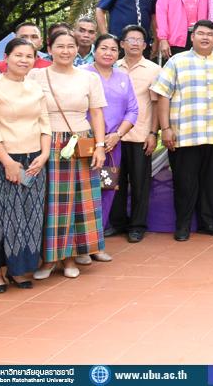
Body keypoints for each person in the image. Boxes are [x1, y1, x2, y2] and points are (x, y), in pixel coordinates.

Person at [29, 30, 107, 280]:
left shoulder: (89, 77)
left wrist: (100, 146)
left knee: (78, 203)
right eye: (60, 46)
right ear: (49, 49)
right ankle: (49, 258)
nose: (66, 51)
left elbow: (96, 113)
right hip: (46, 142)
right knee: (50, 203)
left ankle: (72, 257)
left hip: (80, 143)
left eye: (70, 46)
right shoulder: (35, 75)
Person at [0, 38, 51, 293]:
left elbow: (44, 123)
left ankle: (18, 269)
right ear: (6, 58)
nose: (23, 60)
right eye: (18, 55)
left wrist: (44, 154)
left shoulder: (36, 88)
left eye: (29, 56)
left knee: (29, 216)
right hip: (0, 161)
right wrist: (7, 162)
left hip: (34, 161)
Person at [152, 20, 213, 241]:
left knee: (211, 183)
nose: (205, 37)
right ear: (192, 37)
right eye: (201, 33)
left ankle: (207, 223)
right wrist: (165, 128)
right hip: (185, 135)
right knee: (184, 183)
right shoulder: (176, 61)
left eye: (210, 34)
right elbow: (163, 95)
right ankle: (182, 225)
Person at [81, 34, 138, 265]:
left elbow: (133, 110)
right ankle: (79, 246)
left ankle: (97, 243)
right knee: (83, 193)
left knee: (106, 192)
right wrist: (97, 139)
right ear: (94, 51)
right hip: (84, 145)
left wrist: (117, 135)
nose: (108, 53)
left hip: (112, 146)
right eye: (103, 48)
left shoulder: (123, 77)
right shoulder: (82, 74)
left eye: (113, 49)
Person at [112, 25, 160, 243]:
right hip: (114, 136)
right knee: (115, 182)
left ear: (145, 45)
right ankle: (117, 223)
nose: (134, 43)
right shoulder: (112, 66)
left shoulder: (154, 70)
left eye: (139, 40)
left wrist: (153, 133)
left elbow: (157, 104)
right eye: (130, 39)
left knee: (140, 184)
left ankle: (137, 225)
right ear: (122, 44)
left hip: (141, 134)